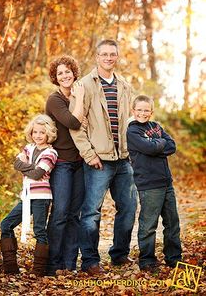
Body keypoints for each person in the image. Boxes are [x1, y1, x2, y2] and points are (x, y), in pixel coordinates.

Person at [70, 39, 137, 275]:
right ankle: (90, 261)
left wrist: (134, 154)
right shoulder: (84, 86)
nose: (108, 58)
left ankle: (119, 255)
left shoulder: (125, 87)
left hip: (124, 160)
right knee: (91, 212)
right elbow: (75, 127)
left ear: (117, 57)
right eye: (104, 54)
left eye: (112, 54)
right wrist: (89, 155)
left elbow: (132, 122)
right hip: (98, 161)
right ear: (97, 57)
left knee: (128, 208)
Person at [126, 95, 182, 273]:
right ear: (133, 111)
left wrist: (156, 145)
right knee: (149, 225)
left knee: (172, 223)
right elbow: (150, 148)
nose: (143, 113)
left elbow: (171, 145)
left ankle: (174, 258)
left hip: (166, 182)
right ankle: (147, 260)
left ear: (151, 111)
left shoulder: (156, 127)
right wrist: (157, 145)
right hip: (149, 185)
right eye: (139, 110)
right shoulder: (132, 130)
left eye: (146, 110)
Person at [0, 114, 58, 276]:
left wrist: (27, 166)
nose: (38, 136)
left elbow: (37, 174)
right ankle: (10, 266)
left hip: (41, 197)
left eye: (42, 132)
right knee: (6, 224)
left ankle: (39, 270)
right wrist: (30, 166)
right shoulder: (29, 147)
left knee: (39, 231)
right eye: (35, 132)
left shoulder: (51, 153)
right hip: (26, 196)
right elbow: (16, 163)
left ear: (48, 134)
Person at [45, 55, 85, 275]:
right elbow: (73, 122)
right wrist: (78, 102)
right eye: (60, 73)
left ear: (73, 72)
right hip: (61, 163)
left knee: (74, 215)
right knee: (60, 213)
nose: (64, 75)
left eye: (67, 71)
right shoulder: (55, 100)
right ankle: (53, 264)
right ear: (55, 78)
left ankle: (69, 264)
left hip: (80, 163)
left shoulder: (80, 94)